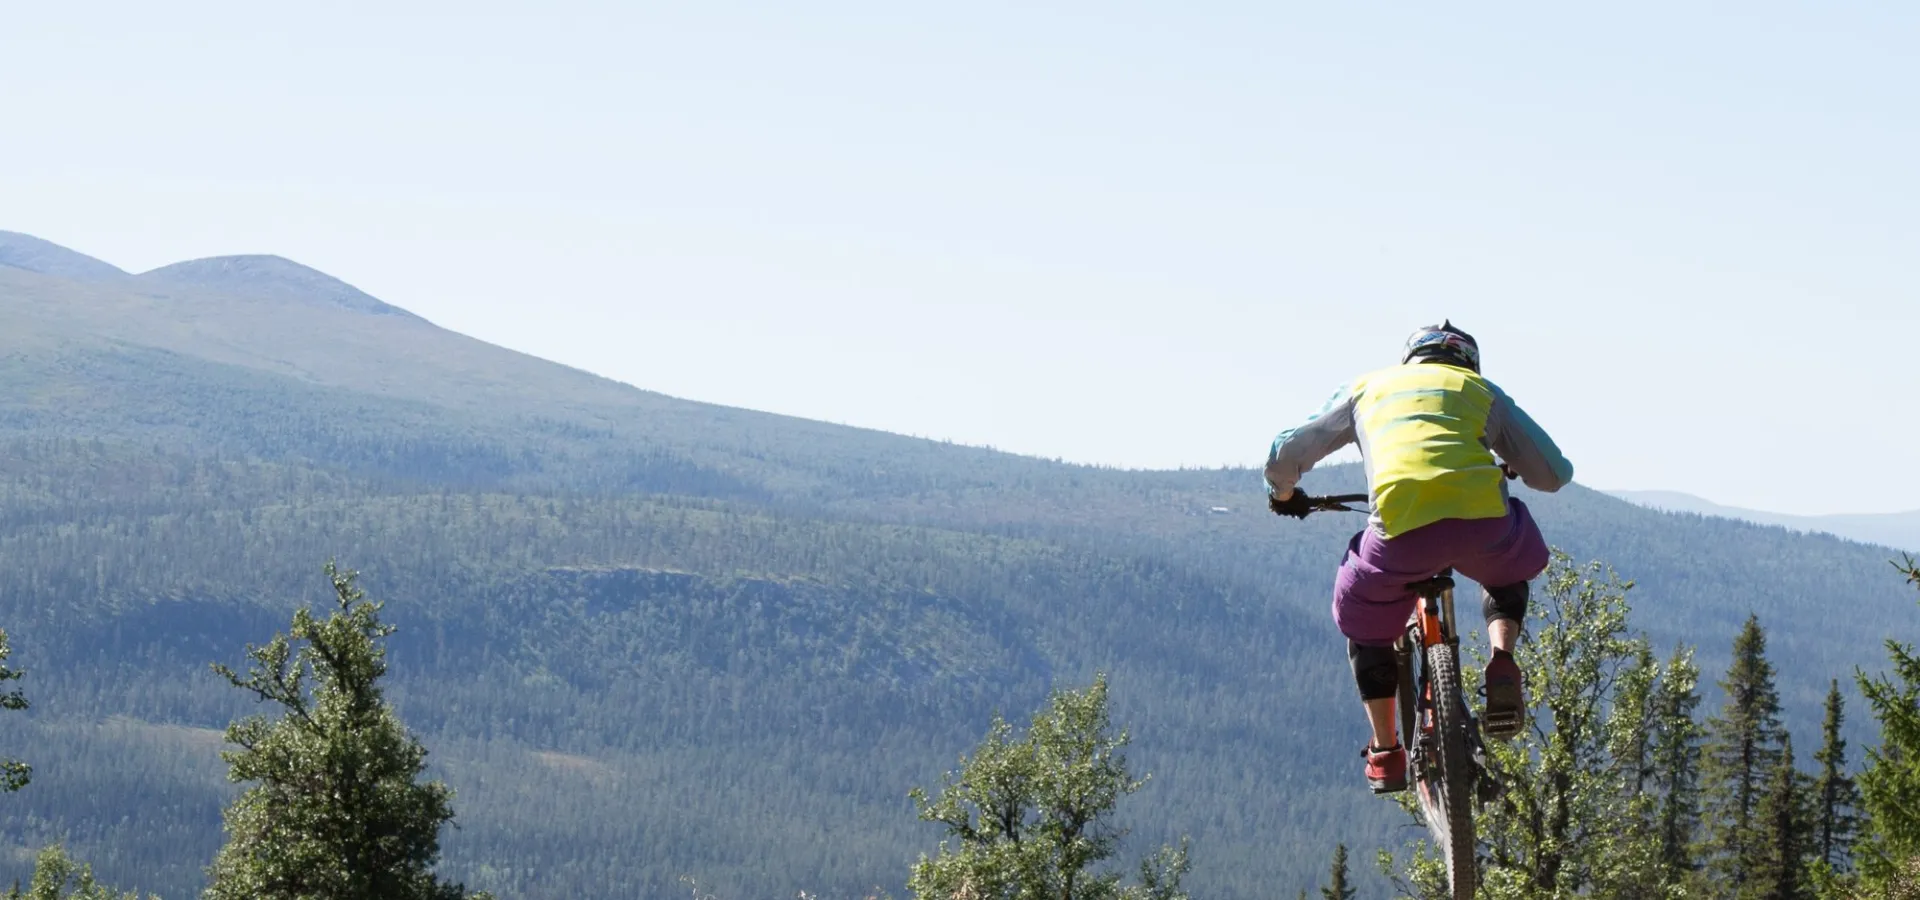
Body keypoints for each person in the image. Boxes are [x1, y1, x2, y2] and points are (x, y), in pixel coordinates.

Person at [1263, 321, 1574, 794]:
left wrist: (1284, 493)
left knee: (1364, 621)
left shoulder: (1367, 387)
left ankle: (1386, 751)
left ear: (1412, 360)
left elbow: (1288, 450)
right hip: (1483, 529)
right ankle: (1501, 658)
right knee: (1508, 564)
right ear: (1468, 362)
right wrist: (1510, 462)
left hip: (1400, 533)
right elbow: (1553, 473)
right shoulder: (1480, 390)